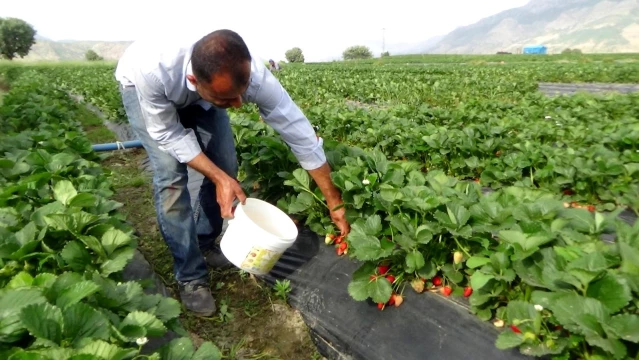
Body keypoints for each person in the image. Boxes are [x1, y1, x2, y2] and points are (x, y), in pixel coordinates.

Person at [114, 29, 350, 317]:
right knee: (171, 179)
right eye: (228, 99)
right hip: (143, 92)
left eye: (241, 93)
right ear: (194, 81)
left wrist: (334, 202)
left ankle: (204, 241)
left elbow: (299, 133)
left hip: (202, 94)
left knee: (227, 164)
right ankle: (191, 276)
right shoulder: (152, 71)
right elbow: (167, 134)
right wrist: (216, 178)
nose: (238, 105)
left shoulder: (254, 76)